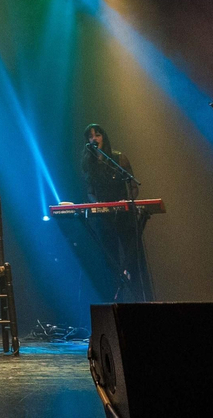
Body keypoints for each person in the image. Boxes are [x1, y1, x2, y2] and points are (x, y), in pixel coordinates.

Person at [80, 124, 149, 301]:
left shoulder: (119, 158)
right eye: (90, 137)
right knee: (110, 260)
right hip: (104, 217)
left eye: (97, 135)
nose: (94, 139)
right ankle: (114, 300)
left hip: (124, 215)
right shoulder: (88, 163)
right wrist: (99, 205)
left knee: (133, 257)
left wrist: (125, 202)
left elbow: (133, 187)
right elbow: (89, 191)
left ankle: (141, 298)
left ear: (104, 137)